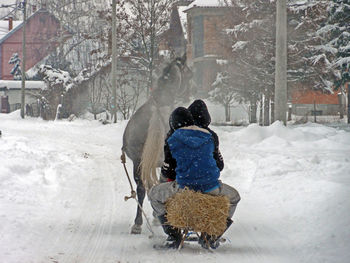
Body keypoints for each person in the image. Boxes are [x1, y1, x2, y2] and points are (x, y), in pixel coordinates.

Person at [148, 107, 240, 249]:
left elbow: (169, 173)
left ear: (173, 124)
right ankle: (212, 236)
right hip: (212, 188)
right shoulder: (209, 137)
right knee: (234, 197)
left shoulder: (172, 139)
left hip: (184, 188)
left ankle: (173, 235)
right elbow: (218, 163)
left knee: (154, 194)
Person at [160, 99, 223, 182]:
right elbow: (220, 165)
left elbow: (169, 170)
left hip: (181, 182)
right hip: (208, 183)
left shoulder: (173, 138)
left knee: (161, 182)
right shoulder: (211, 137)